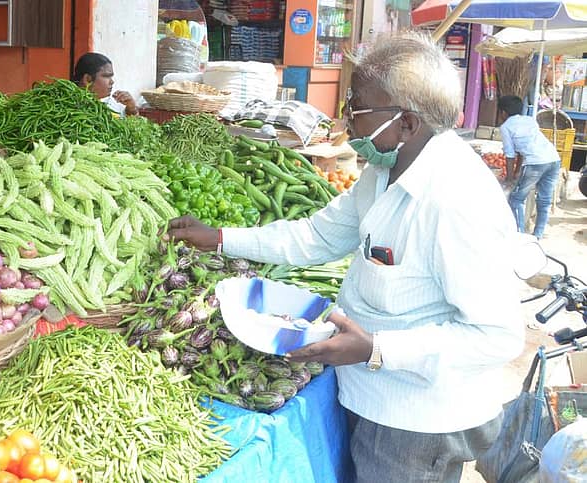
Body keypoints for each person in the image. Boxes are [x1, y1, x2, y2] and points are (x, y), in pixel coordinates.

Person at [165, 32, 523, 483]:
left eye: (356, 107)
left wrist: (377, 350)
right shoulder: (385, 171)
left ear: (407, 123)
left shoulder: (454, 203)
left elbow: (497, 336)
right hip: (372, 397)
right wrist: (218, 237)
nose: (345, 119)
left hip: (416, 423)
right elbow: (316, 236)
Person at [499, 95, 561, 240]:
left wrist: (509, 179)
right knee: (544, 200)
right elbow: (521, 150)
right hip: (553, 159)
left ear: (503, 113)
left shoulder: (506, 126)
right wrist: (516, 173)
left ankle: (520, 236)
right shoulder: (529, 120)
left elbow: (510, 155)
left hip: (535, 163)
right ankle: (538, 235)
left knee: (516, 200)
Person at [72, 53, 138, 118]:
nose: (112, 82)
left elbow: (132, 124)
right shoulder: (70, 107)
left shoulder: (111, 103)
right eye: (107, 76)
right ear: (88, 79)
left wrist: (132, 110)